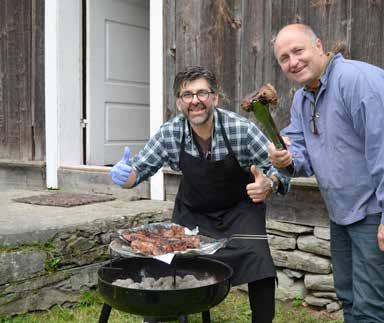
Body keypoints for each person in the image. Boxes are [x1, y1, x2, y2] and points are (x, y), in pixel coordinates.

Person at [269, 24, 384, 323]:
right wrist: (286, 158)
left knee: (369, 308)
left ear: (319, 46)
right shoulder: (304, 98)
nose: (293, 62)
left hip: (377, 209)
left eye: (298, 51)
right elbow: (300, 150)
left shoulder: (359, 81)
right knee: (349, 296)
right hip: (342, 211)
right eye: (284, 58)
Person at [110, 66, 290, 323]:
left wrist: (269, 184)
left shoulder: (241, 129)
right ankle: (160, 318)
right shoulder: (170, 133)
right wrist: (124, 175)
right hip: (192, 213)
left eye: (202, 93)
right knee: (165, 261)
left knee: (259, 263)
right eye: (187, 94)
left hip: (240, 211)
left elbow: (281, 169)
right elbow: (138, 171)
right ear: (179, 102)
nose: (195, 100)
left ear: (215, 98)